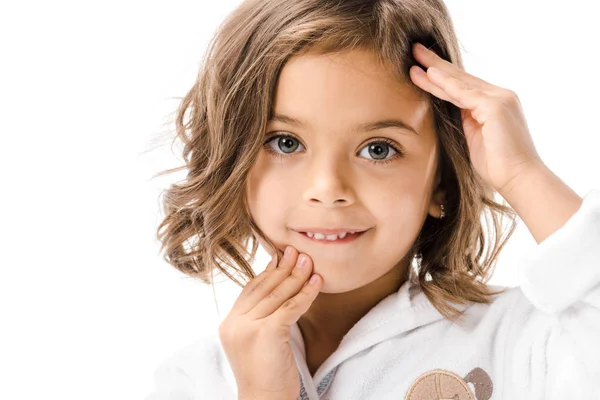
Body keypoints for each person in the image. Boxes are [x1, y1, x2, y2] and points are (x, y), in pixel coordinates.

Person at [146, 0, 600, 398]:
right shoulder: (197, 380)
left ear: (441, 183)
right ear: (231, 162)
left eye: (378, 149)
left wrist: (523, 174)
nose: (327, 188)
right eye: (285, 143)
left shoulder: (521, 341)